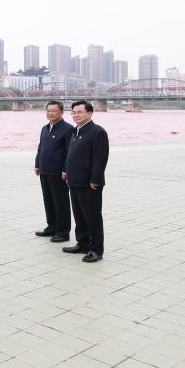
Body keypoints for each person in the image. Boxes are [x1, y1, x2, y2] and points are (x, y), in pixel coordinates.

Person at [62, 101, 109, 263]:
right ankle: (82, 243)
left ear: (90, 113)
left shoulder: (97, 132)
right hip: (74, 181)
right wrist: (67, 171)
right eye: (73, 113)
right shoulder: (76, 131)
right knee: (79, 215)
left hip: (90, 183)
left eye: (79, 112)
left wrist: (95, 179)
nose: (76, 115)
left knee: (92, 217)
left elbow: (100, 159)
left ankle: (96, 249)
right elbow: (71, 154)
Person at [33, 101, 74, 242]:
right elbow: (40, 148)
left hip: (58, 173)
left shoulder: (68, 129)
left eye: (53, 111)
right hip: (44, 171)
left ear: (62, 112)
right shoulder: (45, 128)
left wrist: (65, 169)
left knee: (60, 202)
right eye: (48, 111)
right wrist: (37, 164)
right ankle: (51, 227)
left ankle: (63, 232)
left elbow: (70, 152)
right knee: (48, 201)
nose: (50, 113)